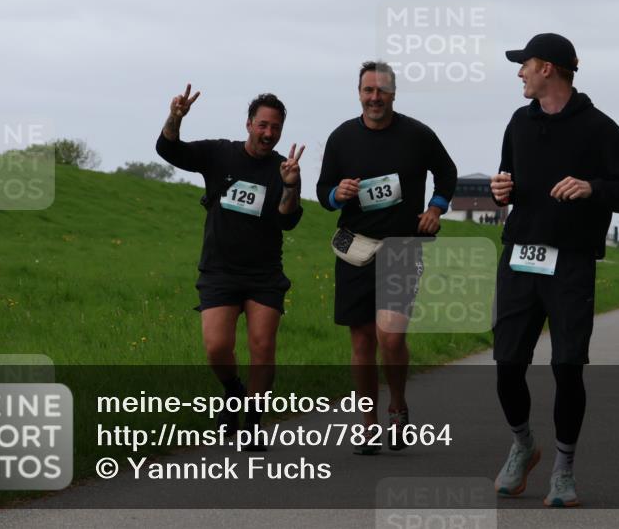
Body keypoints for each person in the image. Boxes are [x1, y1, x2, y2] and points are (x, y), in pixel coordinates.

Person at [489, 33, 619, 507]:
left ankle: (563, 469)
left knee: (566, 367)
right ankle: (524, 446)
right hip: (520, 257)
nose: (519, 72)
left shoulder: (599, 128)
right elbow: (512, 183)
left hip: (571, 264)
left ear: (548, 69)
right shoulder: (518, 123)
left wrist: (592, 188)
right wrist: (504, 189)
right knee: (506, 367)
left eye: (525, 64)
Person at [316, 61, 457, 454]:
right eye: (368, 90)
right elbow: (323, 190)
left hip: (403, 247)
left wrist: (435, 209)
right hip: (355, 247)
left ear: (394, 94)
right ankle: (367, 424)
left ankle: (397, 404)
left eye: (381, 91)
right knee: (362, 341)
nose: (374, 97)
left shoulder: (417, 134)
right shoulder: (341, 137)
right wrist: (336, 194)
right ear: (358, 93)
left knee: (391, 336)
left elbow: (447, 173)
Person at [156, 86, 304, 444]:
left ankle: (254, 420)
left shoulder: (283, 169)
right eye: (263, 125)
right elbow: (168, 149)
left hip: (264, 274)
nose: (269, 134)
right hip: (220, 271)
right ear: (249, 124)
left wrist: (291, 185)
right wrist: (176, 117)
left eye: (276, 128)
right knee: (216, 348)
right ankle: (234, 391)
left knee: (262, 346)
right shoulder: (219, 154)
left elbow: (287, 219)